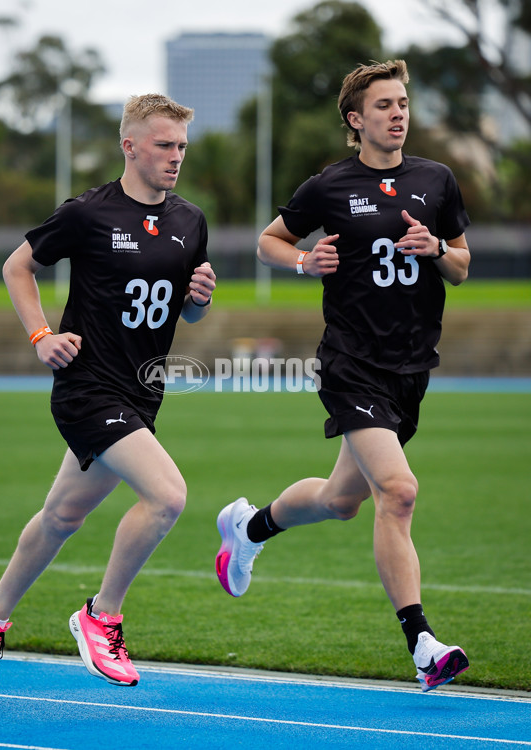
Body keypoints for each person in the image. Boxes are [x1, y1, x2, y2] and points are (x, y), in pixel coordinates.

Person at [215, 60, 470, 692]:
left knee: (342, 501)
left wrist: (437, 250)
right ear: (356, 120)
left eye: (403, 102)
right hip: (351, 364)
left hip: (412, 367)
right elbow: (268, 241)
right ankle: (422, 644)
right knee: (398, 491)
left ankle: (249, 527)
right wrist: (304, 259)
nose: (399, 113)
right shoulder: (329, 186)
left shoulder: (436, 181)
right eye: (384, 105)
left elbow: (463, 266)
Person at [0, 93, 216, 692]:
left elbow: (189, 316)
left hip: (141, 392)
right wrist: (41, 334)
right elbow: (16, 267)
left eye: (182, 146)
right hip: (87, 387)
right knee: (168, 496)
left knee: (62, 515)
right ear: (130, 146)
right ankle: (101, 616)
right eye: (163, 145)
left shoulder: (189, 221)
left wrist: (198, 301)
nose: (176, 157)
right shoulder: (87, 213)